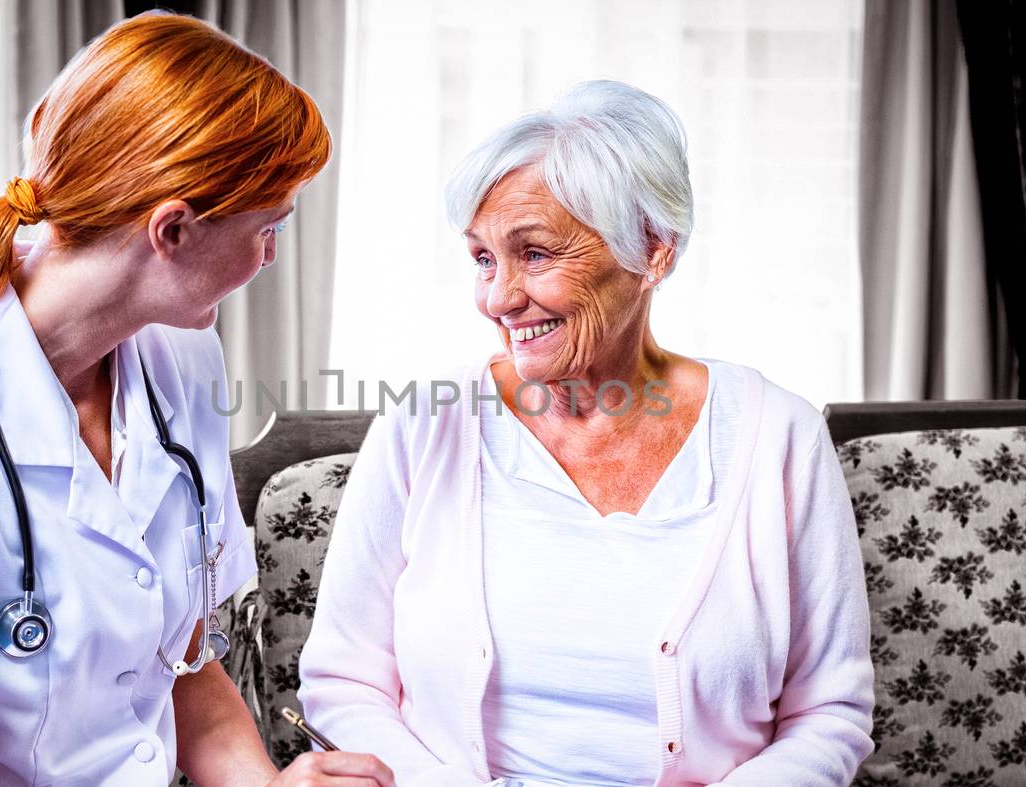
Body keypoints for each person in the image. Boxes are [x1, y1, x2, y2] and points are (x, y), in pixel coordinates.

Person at [0, 12, 391, 787]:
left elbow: (183, 667)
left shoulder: (183, 361)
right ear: (172, 229)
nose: (270, 256)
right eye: (267, 227)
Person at [297, 80, 874, 786]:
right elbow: (343, 679)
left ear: (653, 249)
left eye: (534, 254)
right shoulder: (426, 422)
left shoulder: (778, 435)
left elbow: (831, 710)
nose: (499, 298)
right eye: (483, 258)